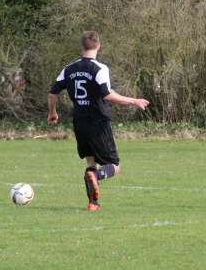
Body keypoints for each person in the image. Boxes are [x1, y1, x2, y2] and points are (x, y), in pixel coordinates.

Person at [48, 31, 149, 211]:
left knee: (90, 164)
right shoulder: (100, 68)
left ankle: (93, 203)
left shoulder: (69, 68)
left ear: (81, 47)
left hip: (79, 123)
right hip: (98, 123)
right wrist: (133, 101)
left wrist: (52, 113)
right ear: (98, 46)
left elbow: (52, 93)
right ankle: (99, 176)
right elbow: (108, 95)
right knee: (114, 166)